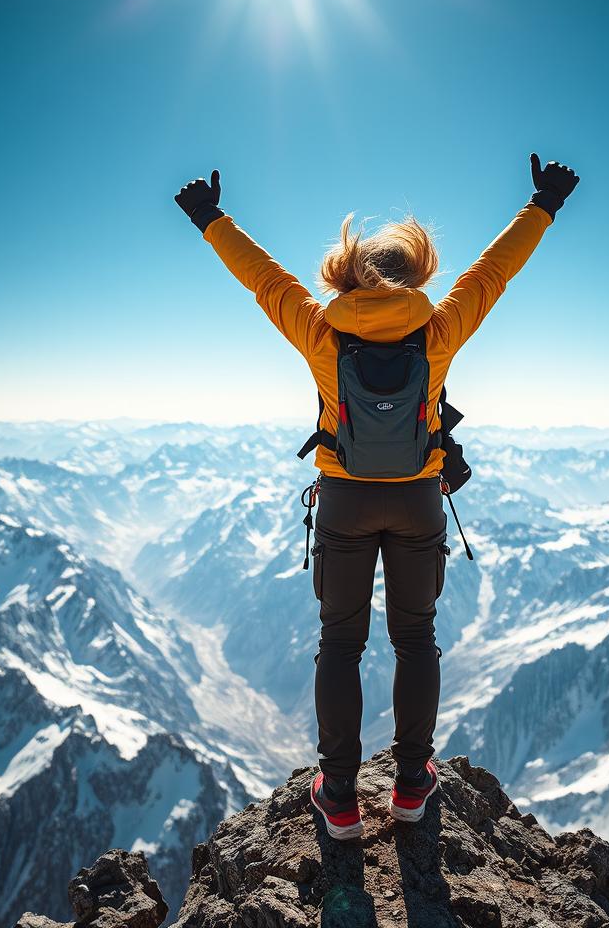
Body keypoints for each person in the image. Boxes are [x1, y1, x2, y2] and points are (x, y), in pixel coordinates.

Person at [175, 154, 579, 840]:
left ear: (346, 273)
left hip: (344, 502)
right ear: (417, 272)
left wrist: (212, 219)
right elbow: (493, 272)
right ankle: (414, 785)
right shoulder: (440, 331)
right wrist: (542, 205)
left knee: (340, 645)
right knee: (416, 641)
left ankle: (336, 795)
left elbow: (264, 279)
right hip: (418, 500)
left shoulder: (322, 333)